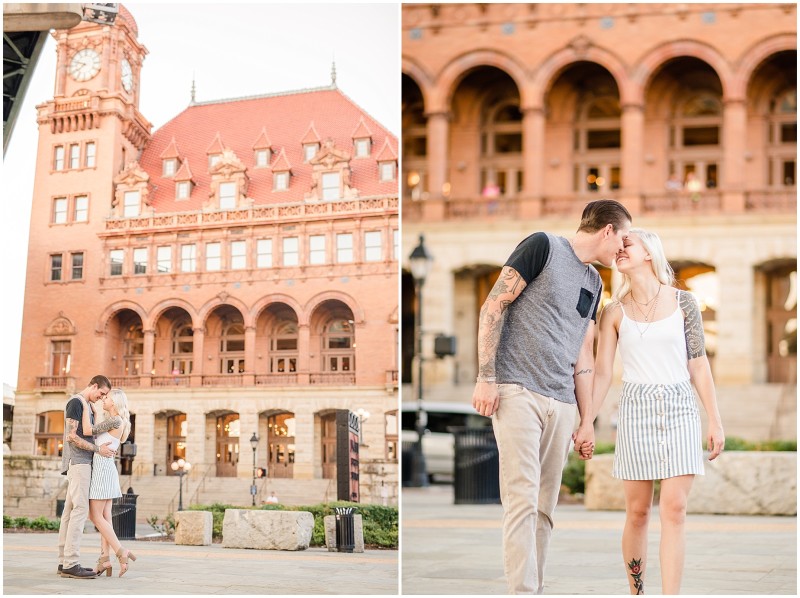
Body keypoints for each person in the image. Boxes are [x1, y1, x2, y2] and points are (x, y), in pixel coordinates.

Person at [472, 199, 632, 594]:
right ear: (608, 230)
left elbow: (583, 355)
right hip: (517, 391)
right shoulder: (542, 245)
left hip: (561, 404)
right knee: (522, 498)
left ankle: (536, 588)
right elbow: (494, 306)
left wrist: (586, 419)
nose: (624, 249)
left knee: (544, 509)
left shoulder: (595, 284)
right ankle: (523, 591)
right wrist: (485, 377)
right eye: (623, 238)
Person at [588, 229, 724, 594]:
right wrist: (587, 422)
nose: (619, 250)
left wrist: (714, 419)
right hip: (635, 410)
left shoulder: (685, 303)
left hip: (680, 409)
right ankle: (637, 592)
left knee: (674, 511)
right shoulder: (613, 312)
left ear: (650, 252)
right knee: (638, 513)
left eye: (627, 244)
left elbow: (699, 364)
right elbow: (602, 372)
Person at [57, 375, 117, 579]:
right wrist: (97, 449)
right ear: (93, 386)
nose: (101, 398)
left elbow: (86, 432)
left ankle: (63, 561)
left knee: (69, 511)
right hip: (80, 463)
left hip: (81, 463)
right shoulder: (76, 402)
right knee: (80, 510)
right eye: (101, 393)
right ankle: (71, 563)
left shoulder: (86, 405)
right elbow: (72, 436)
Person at [79, 388, 137, 577]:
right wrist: (96, 413)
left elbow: (88, 430)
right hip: (107, 469)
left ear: (115, 402)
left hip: (103, 471)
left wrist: (87, 407)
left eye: (107, 397)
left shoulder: (115, 420)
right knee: (105, 518)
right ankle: (104, 559)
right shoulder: (116, 420)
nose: (104, 399)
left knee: (95, 517)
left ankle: (121, 552)